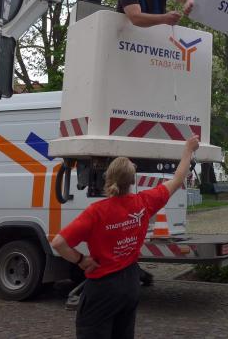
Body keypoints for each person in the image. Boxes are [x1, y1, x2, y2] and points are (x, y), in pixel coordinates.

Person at [51, 135, 200, 339]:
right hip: (130, 283)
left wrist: (81, 260)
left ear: (107, 178)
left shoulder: (96, 212)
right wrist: (188, 149)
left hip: (102, 287)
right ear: (132, 181)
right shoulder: (144, 202)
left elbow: (59, 243)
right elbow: (177, 179)